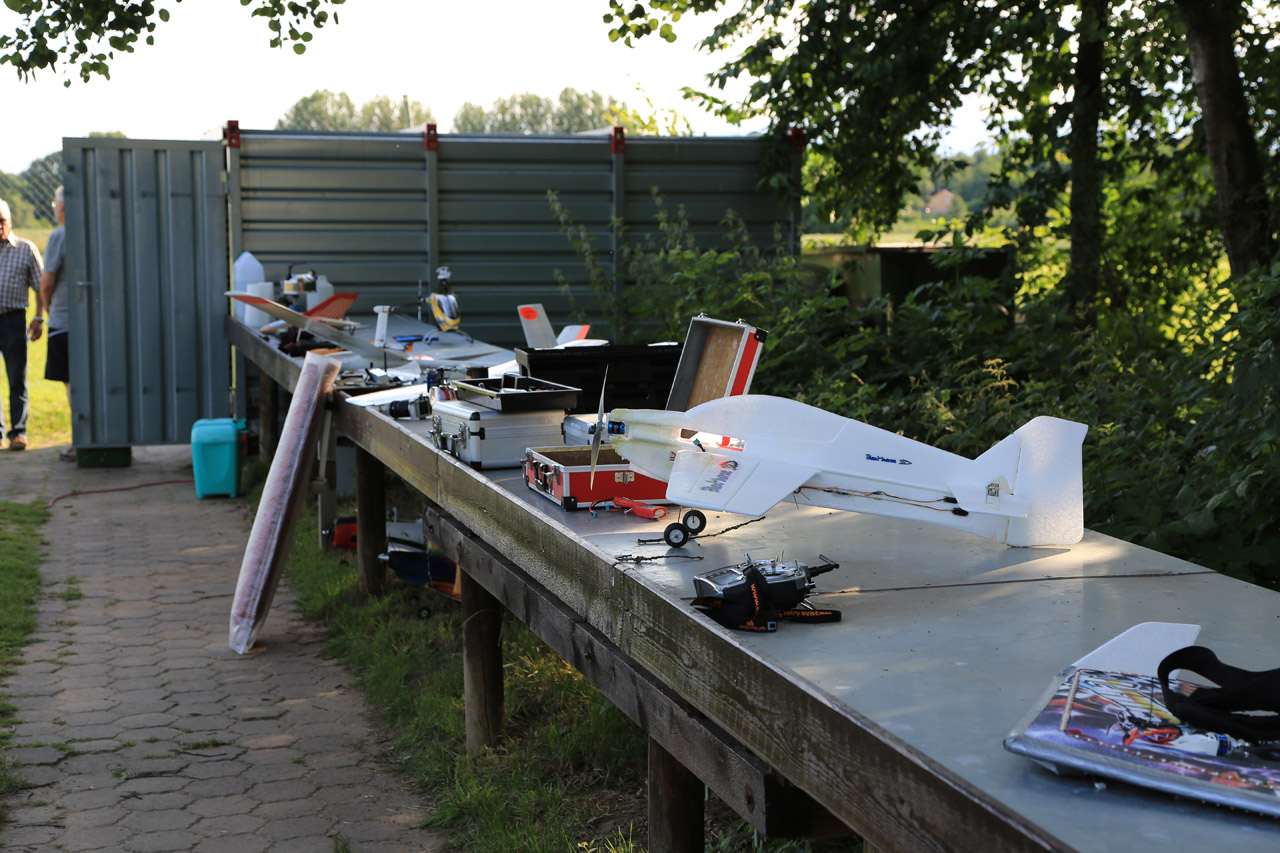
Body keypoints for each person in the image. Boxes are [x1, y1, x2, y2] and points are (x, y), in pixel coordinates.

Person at [0, 197, 45, 451]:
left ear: (10, 221)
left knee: (17, 378)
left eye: (2, 221)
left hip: (14, 320)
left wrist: (39, 318)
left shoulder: (26, 249)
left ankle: (19, 432)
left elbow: (40, 286)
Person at [40, 187, 74, 461]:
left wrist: (47, 306)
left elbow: (46, 281)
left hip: (64, 320)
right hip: (96, 322)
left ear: (62, 207)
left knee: (72, 382)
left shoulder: (59, 236)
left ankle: (80, 440)